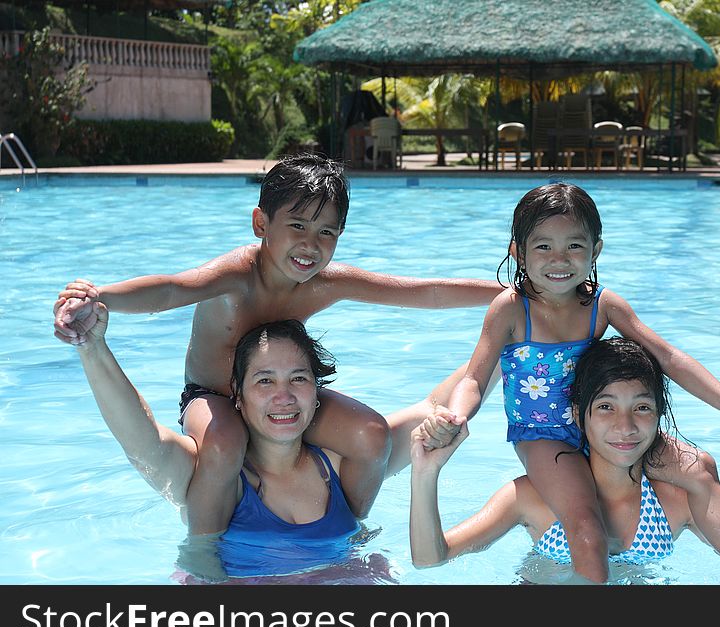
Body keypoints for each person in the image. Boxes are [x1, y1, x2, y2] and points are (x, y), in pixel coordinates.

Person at [52, 153, 500, 535]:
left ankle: (347, 528)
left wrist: (513, 295)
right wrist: (102, 296)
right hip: (215, 399)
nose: (311, 244)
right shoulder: (235, 277)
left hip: (283, 392)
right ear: (260, 222)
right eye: (298, 225)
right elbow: (172, 289)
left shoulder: (325, 283)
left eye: (327, 232)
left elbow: (420, 291)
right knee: (225, 445)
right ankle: (206, 546)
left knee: (371, 433)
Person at [419, 182, 720, 583]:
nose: (560, 259)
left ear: (596, 250)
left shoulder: (602, 305)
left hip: (600, 423)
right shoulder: (511, 309)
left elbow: (667, 356)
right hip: (543, 436)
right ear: (517, 251)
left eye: (574, 246)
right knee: (586, 527)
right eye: (543, 247)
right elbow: (473, 379)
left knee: (700, 467)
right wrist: (456, 413)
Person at [65, 299, 469, 581]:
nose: (284, 396)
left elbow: (435, 404)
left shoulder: (342, 466)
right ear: (237, 397)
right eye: (264, 381)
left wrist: (507, 339)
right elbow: (143, 440)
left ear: (317, 393)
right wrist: (92, 347)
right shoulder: (209, 475)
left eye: (298, 379)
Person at [410, 337, 720, 583]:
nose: (625, 426)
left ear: (659, 414)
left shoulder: (676, 503)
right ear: (578, 415)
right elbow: (431, 560)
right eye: (606, 407)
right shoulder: (533, 498)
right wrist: (425, 474)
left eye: (642, 408)